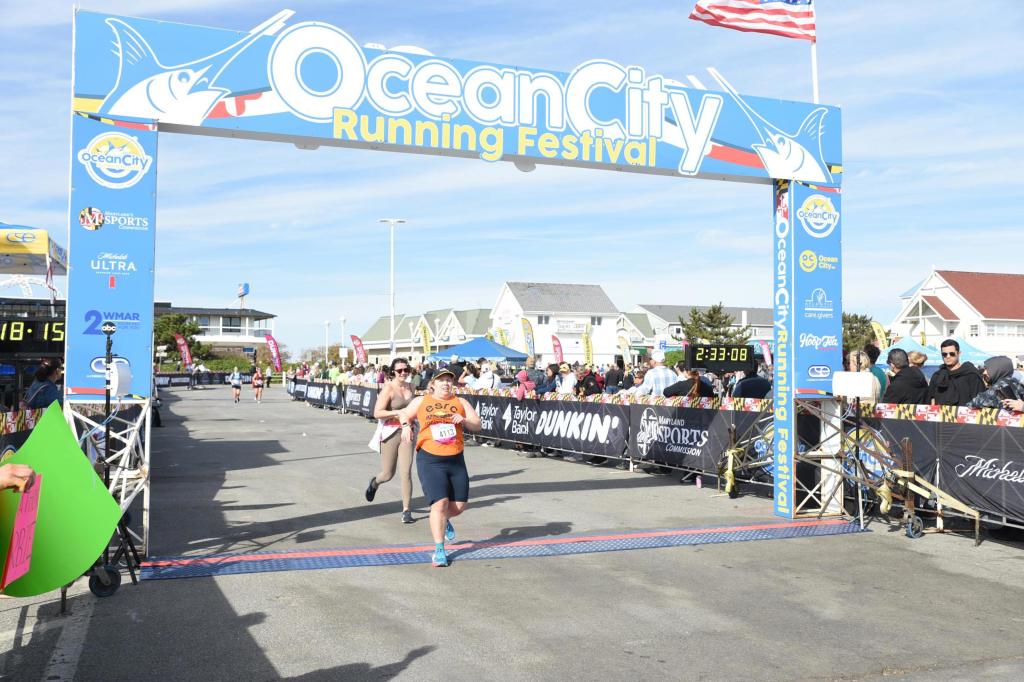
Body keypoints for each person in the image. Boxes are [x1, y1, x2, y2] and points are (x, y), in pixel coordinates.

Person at [397, 368, 482, 567]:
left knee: (459, 506)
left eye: (449, 381)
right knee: (440, 504)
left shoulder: (460, 402)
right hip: (430, 459)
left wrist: (465, 420)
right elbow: (404, 413)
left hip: (455, 459)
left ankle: (444, 519)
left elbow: (477, 424)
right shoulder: (422, 401)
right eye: (441, 380)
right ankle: (439, 550)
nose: (446, 383)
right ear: (432, 384)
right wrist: (406, 426)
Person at [366, 358, 417, 524]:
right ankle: (375, 483)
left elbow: (414, 409)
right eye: (399, 370)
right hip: (390, 432)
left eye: (406, 369)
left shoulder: (412, 387)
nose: (403, 373)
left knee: (406, 472)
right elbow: (377, 412)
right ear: (393, 372)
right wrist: (397, 413)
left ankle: (406, 510)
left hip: (407, 431)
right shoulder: (388, 388)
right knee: (388, 474)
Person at [928, 339, 986, 406]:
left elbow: (979, 402)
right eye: (944, 354)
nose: (948, 356)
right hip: (941, 415)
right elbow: (932, 400)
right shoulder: (937, 376)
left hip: (965, 415)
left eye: (952, 354)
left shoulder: (972, 375)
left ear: (958, 353)